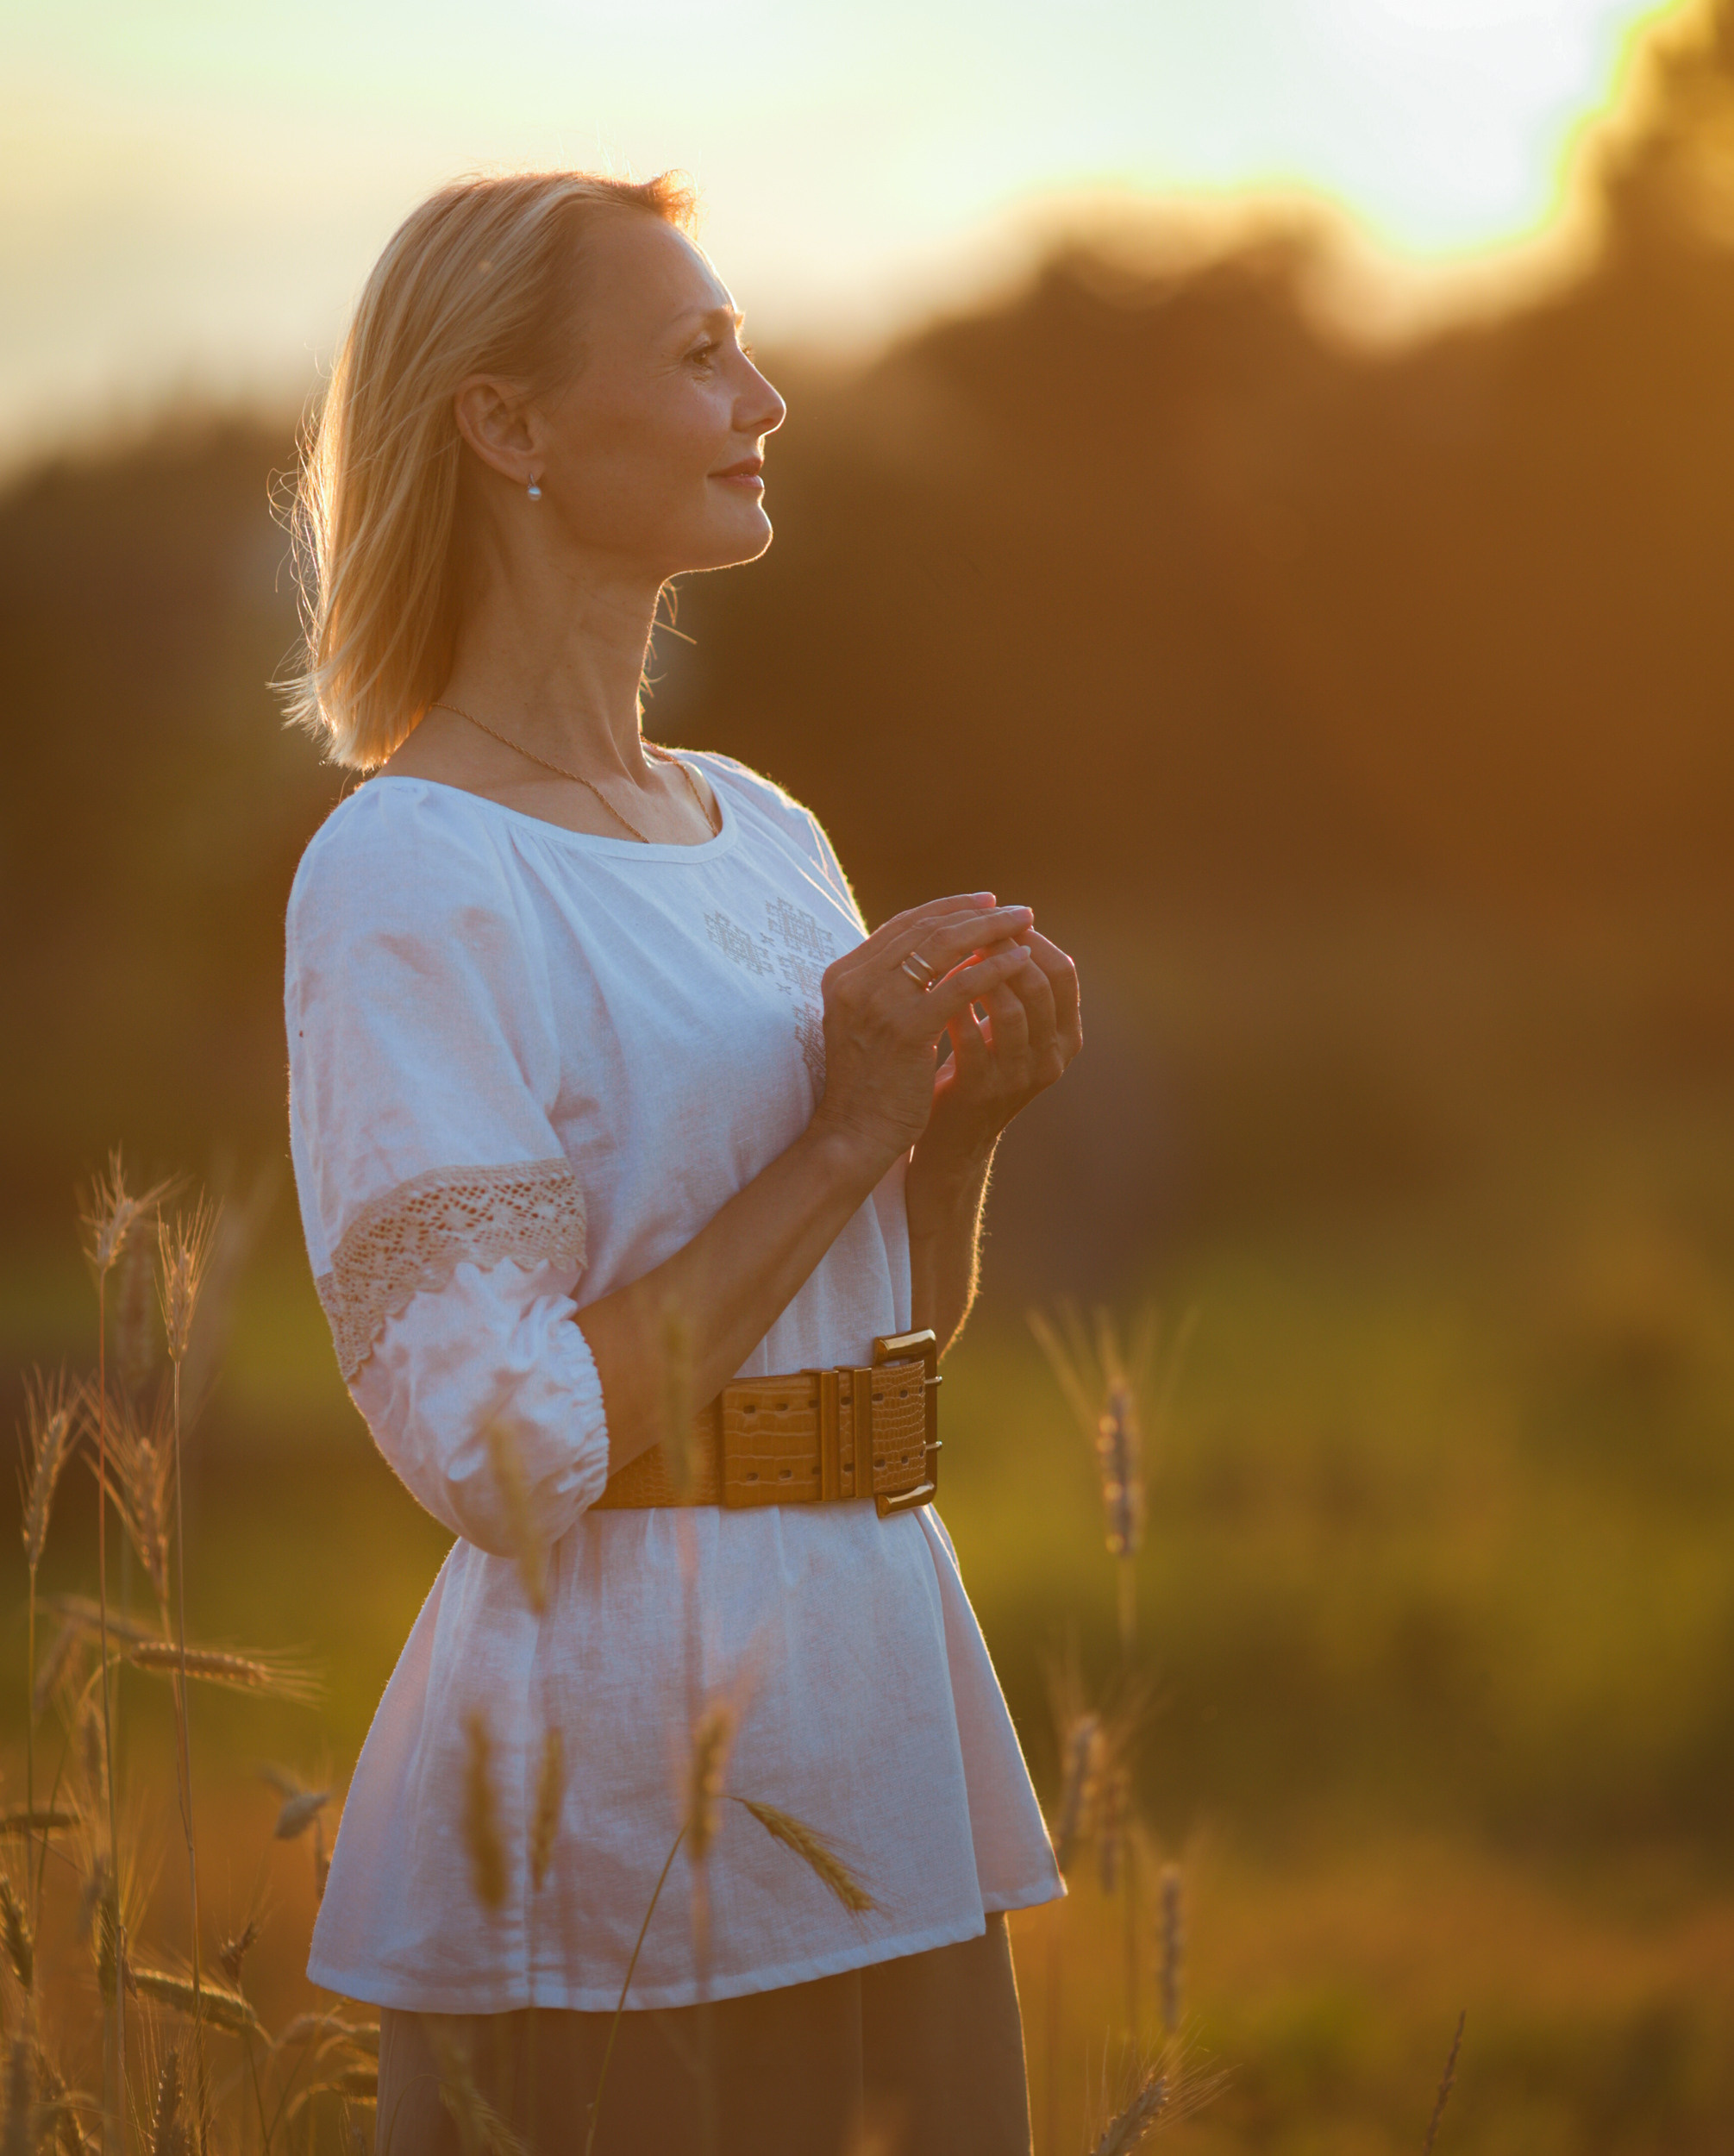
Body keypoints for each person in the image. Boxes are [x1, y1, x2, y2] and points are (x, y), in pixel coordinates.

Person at [282, 169, 1081, 2155]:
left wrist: (952, 1134)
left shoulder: (759, 825)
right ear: (509, 423)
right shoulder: (407, 870)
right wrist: (847, 1130)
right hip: (625, 1790)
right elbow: (501, 1448)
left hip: (881, 1716)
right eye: (703, 351)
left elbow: (877, 1344)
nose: (768, 396)